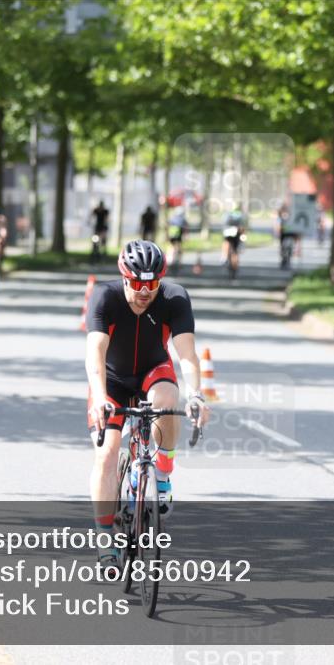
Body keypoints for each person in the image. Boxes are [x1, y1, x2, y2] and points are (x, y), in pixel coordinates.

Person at [85, 240, 210, 568]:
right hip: (111, 380)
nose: (144, 291)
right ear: (124, 278)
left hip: (152, 372)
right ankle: (104, 542)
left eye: (152, 283)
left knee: (169, 399)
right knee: (107, 453)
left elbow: (187, 355)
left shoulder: (174, 298)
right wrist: (99, 398)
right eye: (138, 283)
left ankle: (164, 476)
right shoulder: (105, 297)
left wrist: (197, 394)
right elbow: (95, 355)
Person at [221, 205, 247, 273]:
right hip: (237, 234)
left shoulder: (227, 215)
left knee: (226, 243)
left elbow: (224, 225)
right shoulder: (241, 216)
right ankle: (235, 263)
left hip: (229, 233)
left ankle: (224, 257)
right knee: (235, 251)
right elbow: (242, 228)